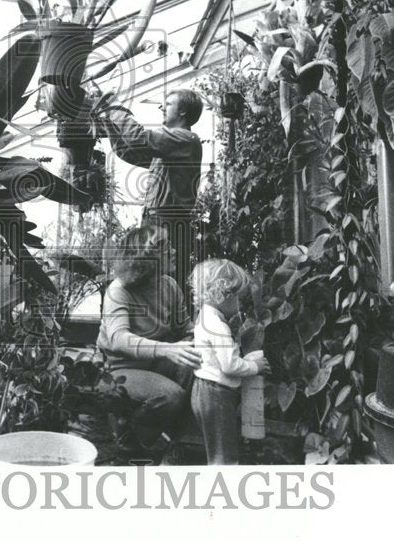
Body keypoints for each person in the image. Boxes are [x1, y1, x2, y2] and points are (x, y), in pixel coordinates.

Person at [98, 225, 202, 451]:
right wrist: (167, 349)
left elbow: (185, 328)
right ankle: (130, 431)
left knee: (196, 362)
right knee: (171, 397)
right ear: (147, 257)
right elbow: (119, 339)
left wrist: (199, 336)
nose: (174, 251)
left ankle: (173, 441)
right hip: (119, 372)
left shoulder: (170, 286)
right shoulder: (118, 291)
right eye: (166, 248)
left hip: (155, 366)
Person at [92, 89, 204, 293]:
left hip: (168, 220)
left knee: (165, 282)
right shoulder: (170, 146)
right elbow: (128, 151)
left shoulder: (185, 139)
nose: (162, 107)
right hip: (157, 219)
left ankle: (171, 321)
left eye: (168, 103)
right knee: (149, 279)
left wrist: (115, 108)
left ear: (183, 112)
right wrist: (108, 120)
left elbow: (138, 138)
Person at [189, 258, 271, 465]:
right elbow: (229, 365)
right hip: (216, 395)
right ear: (222, 295)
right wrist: (254, 367)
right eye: (238, 299)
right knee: (224, 455)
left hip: (203, 390)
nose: (241, 304)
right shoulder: (217, 326)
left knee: (216, 447)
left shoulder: (204, 317)